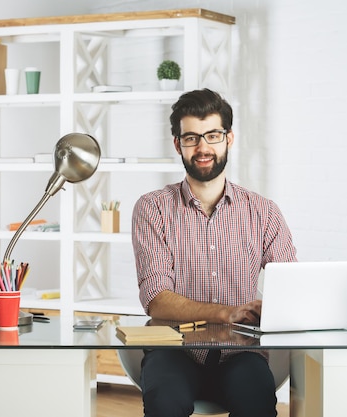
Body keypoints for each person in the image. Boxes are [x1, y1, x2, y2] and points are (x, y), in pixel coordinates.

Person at [131, 88, 297, 417]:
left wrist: (275, 307)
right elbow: (156, 298)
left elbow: (290, 287)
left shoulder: (263, 211)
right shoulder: (153, 208)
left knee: (258, 405)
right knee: (165, 403)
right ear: (178, 144)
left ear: (229, 139)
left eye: (212, 135)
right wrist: (228, 312)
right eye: (191, 137)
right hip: (174, 351)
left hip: (240, 354)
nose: (203, 147)